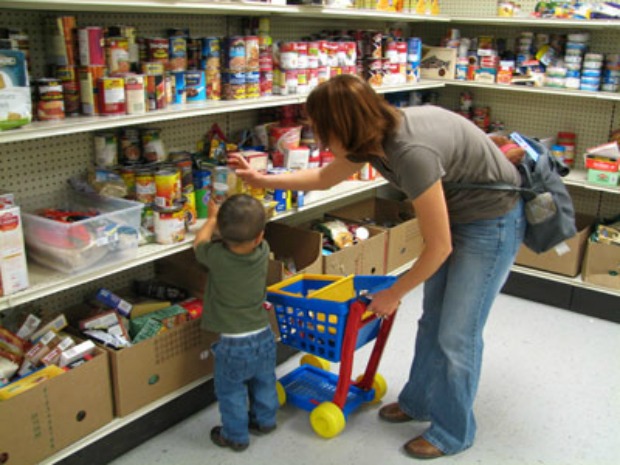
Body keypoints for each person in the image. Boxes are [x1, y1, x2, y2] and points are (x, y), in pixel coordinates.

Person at [228, 74, 526, 459]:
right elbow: (321, 178)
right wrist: (261, 180)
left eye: (321, 129)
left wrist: (393, 293)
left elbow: (439, 247)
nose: (318, 138)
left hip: (492, 223)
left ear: (343, 126)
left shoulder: (409, 151)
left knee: (457, 335)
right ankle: (417, 403)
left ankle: (454, 432)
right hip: (459, 215)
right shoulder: (370, 135)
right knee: (433, 321)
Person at [193, 193, 278, 452]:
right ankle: (265, 421)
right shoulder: (263, 251)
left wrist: (211, 220)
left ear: (221, 233)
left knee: (232, 393)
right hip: (264, 335)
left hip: (233, 344)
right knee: (265, 382)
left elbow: (199, 244)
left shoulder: (216, 257)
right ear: (259, 237)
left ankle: (235, 436)